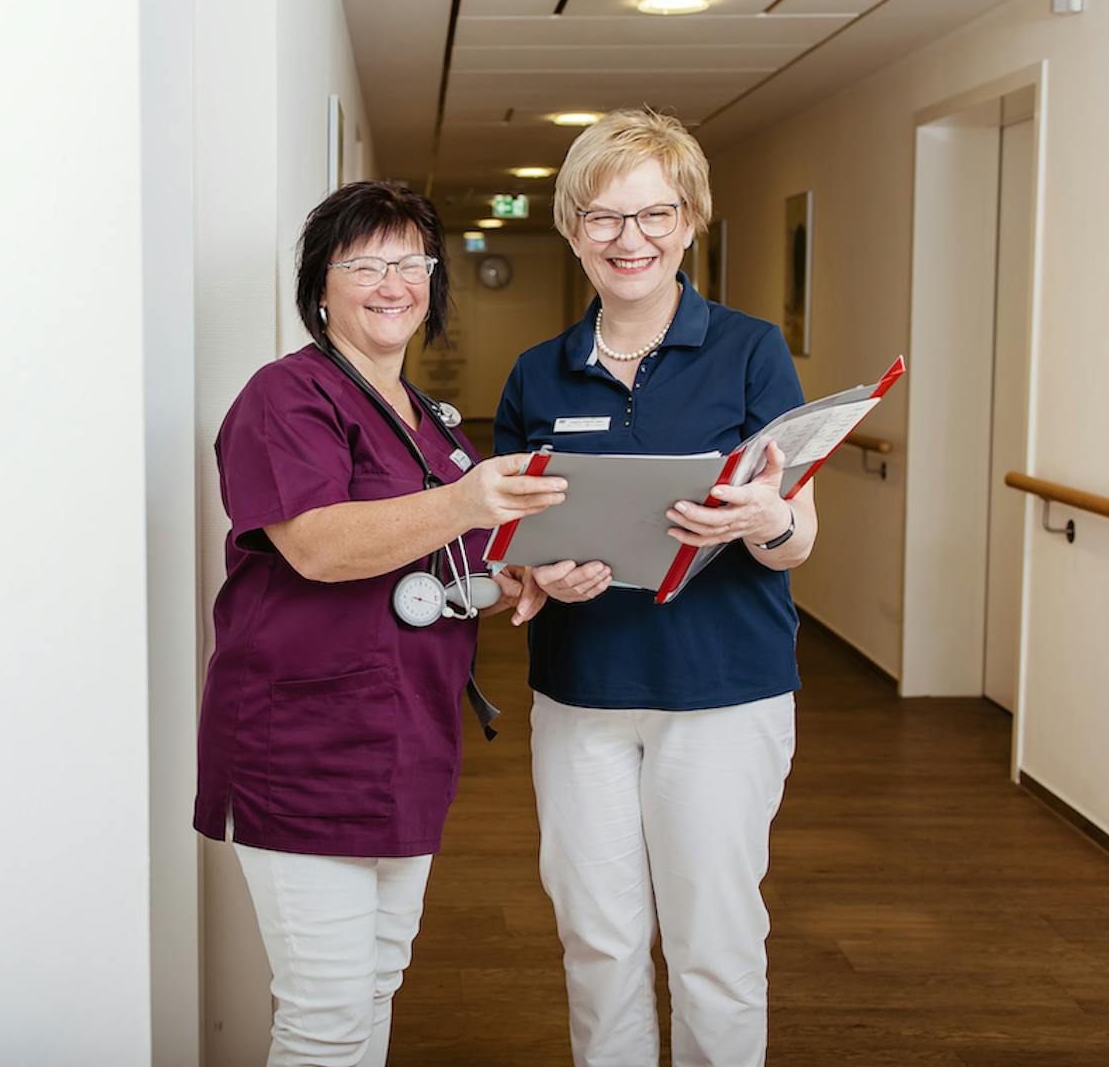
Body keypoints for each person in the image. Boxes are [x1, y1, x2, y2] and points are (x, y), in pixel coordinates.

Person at [194, 180, 566, 1067]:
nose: (393, 283)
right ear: (321, 287)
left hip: (406, 739)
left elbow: (436, 566)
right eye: (364, 264)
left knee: (374, 986)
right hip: (302, 746)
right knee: (324, 1014)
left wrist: (510, 579)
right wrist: (467, 501)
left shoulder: (430, 420)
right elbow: (319, 547)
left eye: (411, 263)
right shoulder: (286, 398)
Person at [493, 109, 818, 1067]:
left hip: (722, 692)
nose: (628, 238)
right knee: (598, 943)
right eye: (602, 216)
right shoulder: (536, 373)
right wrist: (536, 573)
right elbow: (510, 548)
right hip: (582, 694)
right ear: (573, 229)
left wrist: (762, 520)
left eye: (654, 214)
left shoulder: (752, 352)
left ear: (689, 223)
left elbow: (796, 541)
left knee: (714, 946)